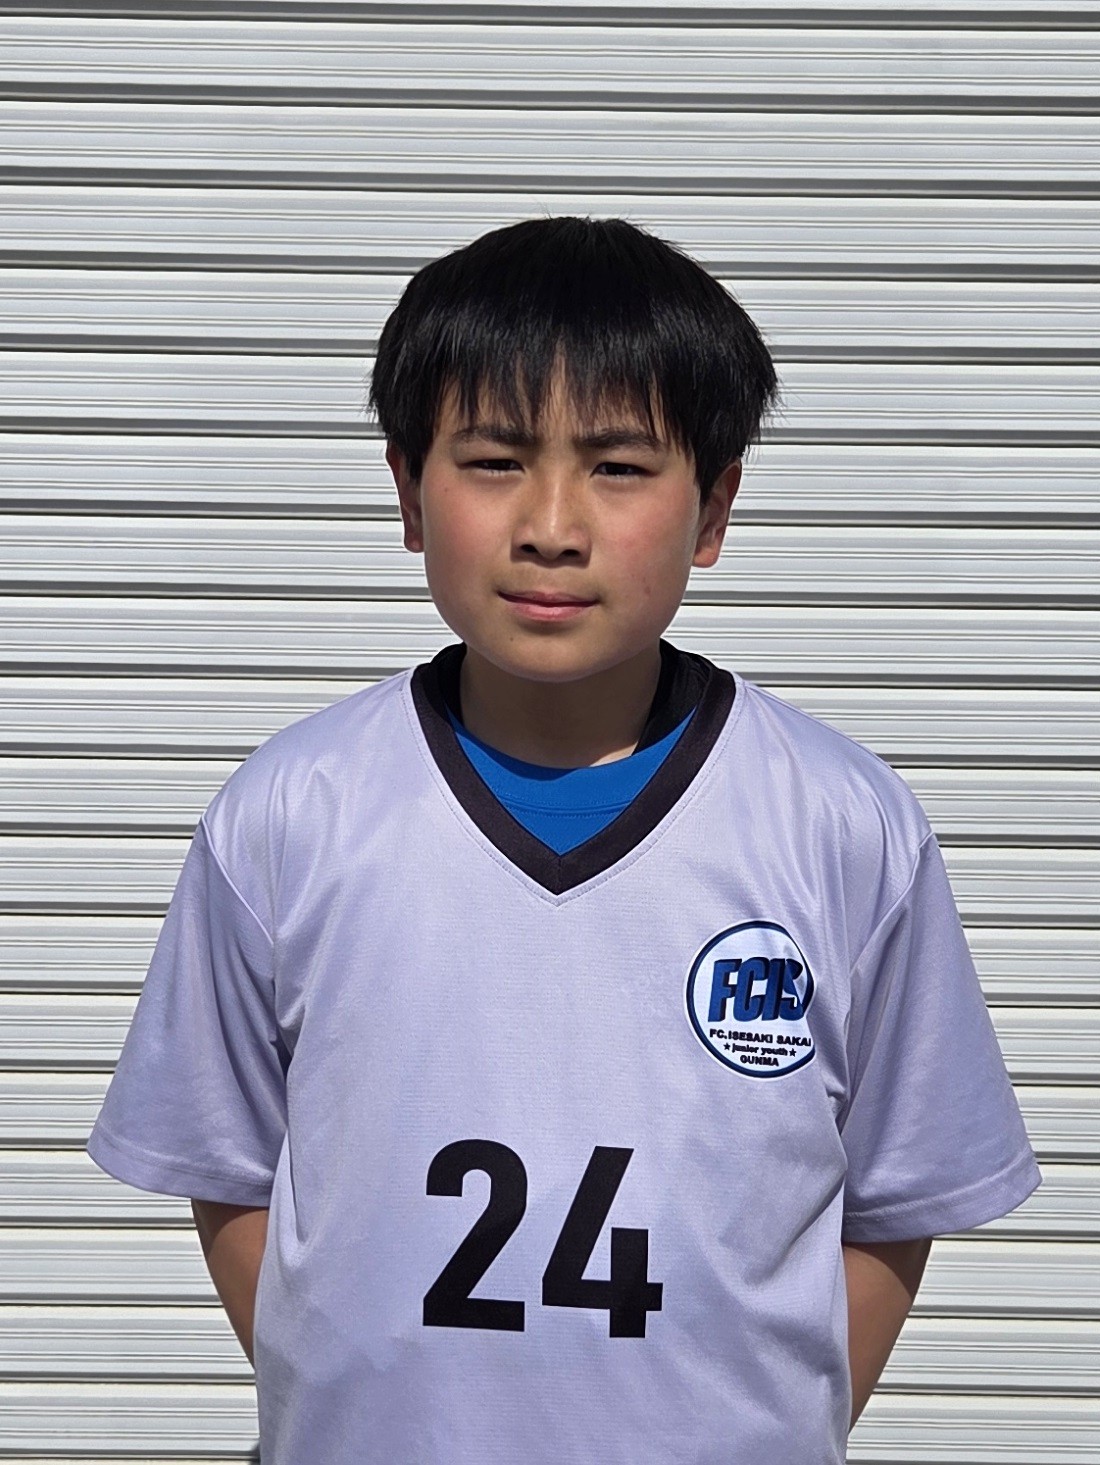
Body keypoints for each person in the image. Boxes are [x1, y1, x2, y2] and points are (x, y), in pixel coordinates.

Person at [87, 215, 1040, 1464]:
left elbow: (894, 1199)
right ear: (406, 492)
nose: (550, 524)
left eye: (618, 467)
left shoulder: (841, 825)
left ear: (713, 507)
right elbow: (227, 1169)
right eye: (492, 460)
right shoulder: (291, 813)